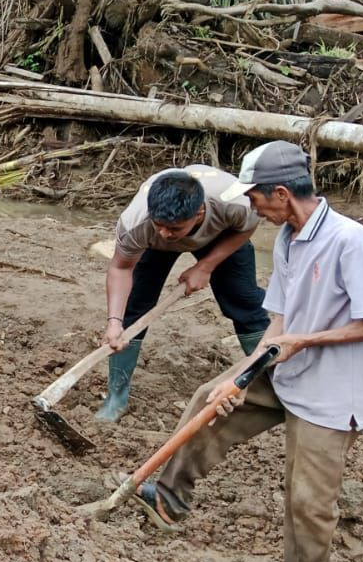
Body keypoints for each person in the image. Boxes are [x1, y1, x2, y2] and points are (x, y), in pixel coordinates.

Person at [137, 141, 363, 562]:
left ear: (281, 193)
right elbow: (278, 319)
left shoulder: (350, 241)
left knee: (307, 498)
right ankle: (168, 497)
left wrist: (304, 340)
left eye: (254, 196)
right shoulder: (287, 239)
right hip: (287, 370)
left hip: (333, 393)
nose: (250, 204)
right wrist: (241, 373)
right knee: (210, 399)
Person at [95, 165, 270, 422]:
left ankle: (273, 382)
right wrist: (114, 322)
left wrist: (205, 266)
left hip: (221, 235)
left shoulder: (236, 203)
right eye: (160, 225)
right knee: (133, 310)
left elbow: (246, 228)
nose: (166, 233)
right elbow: (121, 269)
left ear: (199, 213)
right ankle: (116, 398)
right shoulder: (138, 222)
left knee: (243, 302)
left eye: (174, 229)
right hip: (153, 246)